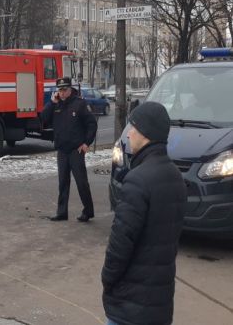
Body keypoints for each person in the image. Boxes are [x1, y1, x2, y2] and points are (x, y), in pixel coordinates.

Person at [102, 102, 186, 325]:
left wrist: (107, 279)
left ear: (146, 134)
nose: (129, 134)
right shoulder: (175, 176)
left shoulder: (138, 180)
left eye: (134, 128)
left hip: (129, 306)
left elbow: (120, 243)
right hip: (160, 302)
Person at [40, 77, 97, 222]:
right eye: (60, 90)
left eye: (64, 89)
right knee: (63, 183)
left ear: (70, 89)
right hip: (62, 150)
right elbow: (43, 118)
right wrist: (52, 103)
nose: (62, 93)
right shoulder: (56, 105)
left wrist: (86, 143)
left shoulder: (79, 104)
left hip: (76, 150)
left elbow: (91, 124)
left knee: (81, 182)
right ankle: (61, 212)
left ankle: (88, 211)